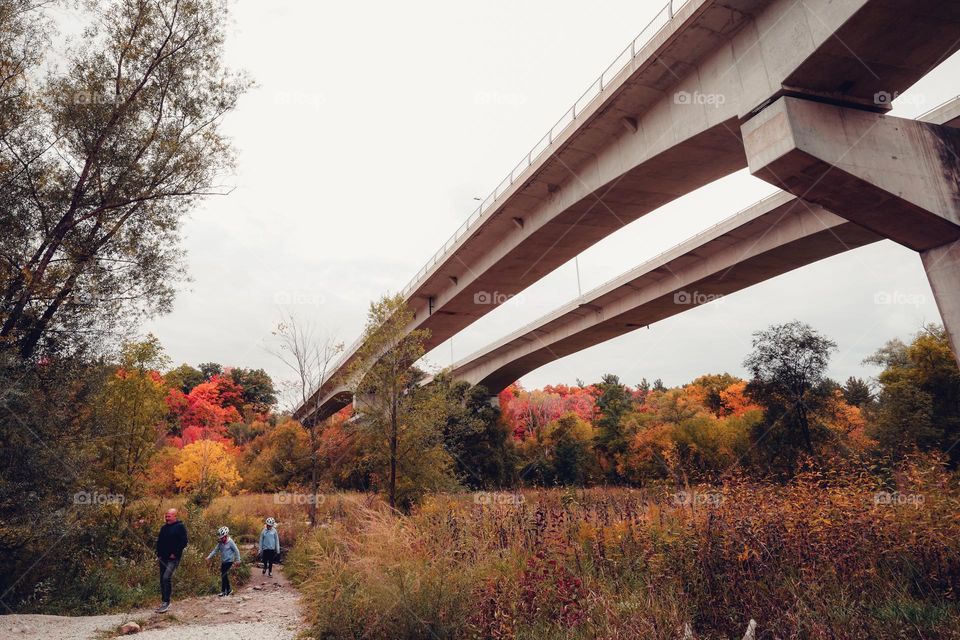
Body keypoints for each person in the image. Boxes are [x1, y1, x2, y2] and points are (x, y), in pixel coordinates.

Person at [155, 508, 188, 614]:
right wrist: (158, 554)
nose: (167, 518)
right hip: (163, 558)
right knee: (161, 579)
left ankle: (166, 602)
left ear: (175, 516)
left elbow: (184, 542)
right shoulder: (163, 528)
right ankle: (164, 601)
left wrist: (175, 553)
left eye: (169, 516)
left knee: (166, 577)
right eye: (166, 516)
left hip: (173, 558)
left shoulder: (180, 527)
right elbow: (159, 542)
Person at [206, 526, 241, 597]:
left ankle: (223, 591)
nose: (221, 539)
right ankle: (229, 590)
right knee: (224, 576)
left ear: (226, 536)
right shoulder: (220, 543)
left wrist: (238, 560)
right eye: (220, 538)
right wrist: (209, 557)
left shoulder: (230, 542)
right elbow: (215, 550)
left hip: (229, 561)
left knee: (224, 575)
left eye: (222, 537)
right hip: (223, 561)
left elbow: (236, 550)